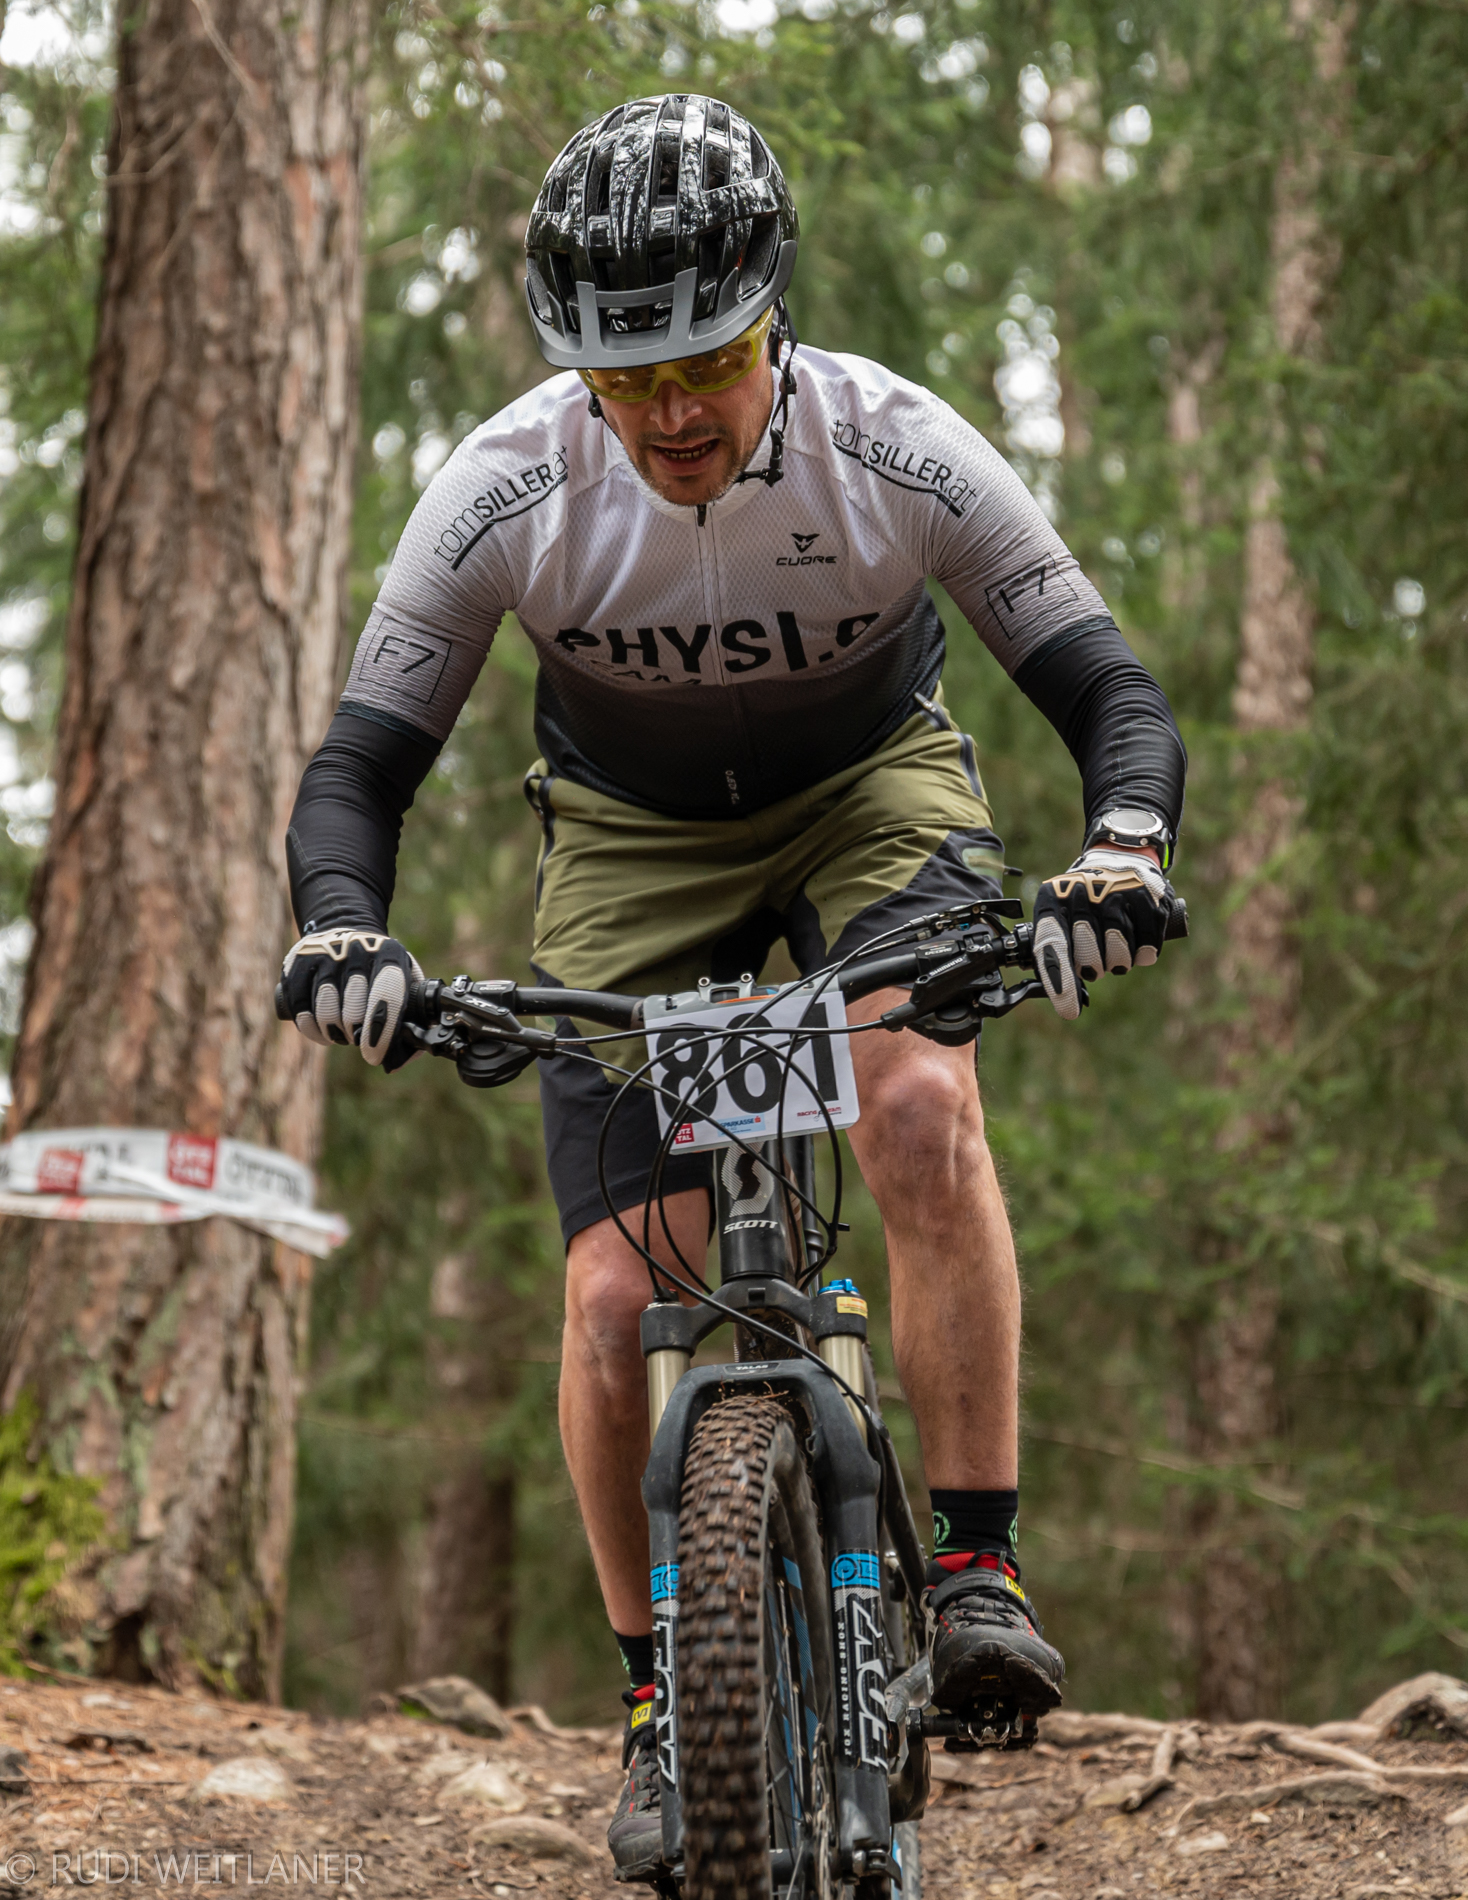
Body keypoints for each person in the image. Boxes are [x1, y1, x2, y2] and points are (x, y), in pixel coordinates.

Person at [279, 95, 1186, 1878]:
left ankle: (978, 1567)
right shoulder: (506, 484)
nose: (674, 412)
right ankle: (654, 1698)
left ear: (777, 319)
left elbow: (1107, 689)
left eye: (709, 361)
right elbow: (362, 764)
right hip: (632, 840)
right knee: (617, 1294)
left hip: (872, 795)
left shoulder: (898, 446)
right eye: (628, 381)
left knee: (914, 1104)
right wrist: (341, 928)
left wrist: (1122, 852)